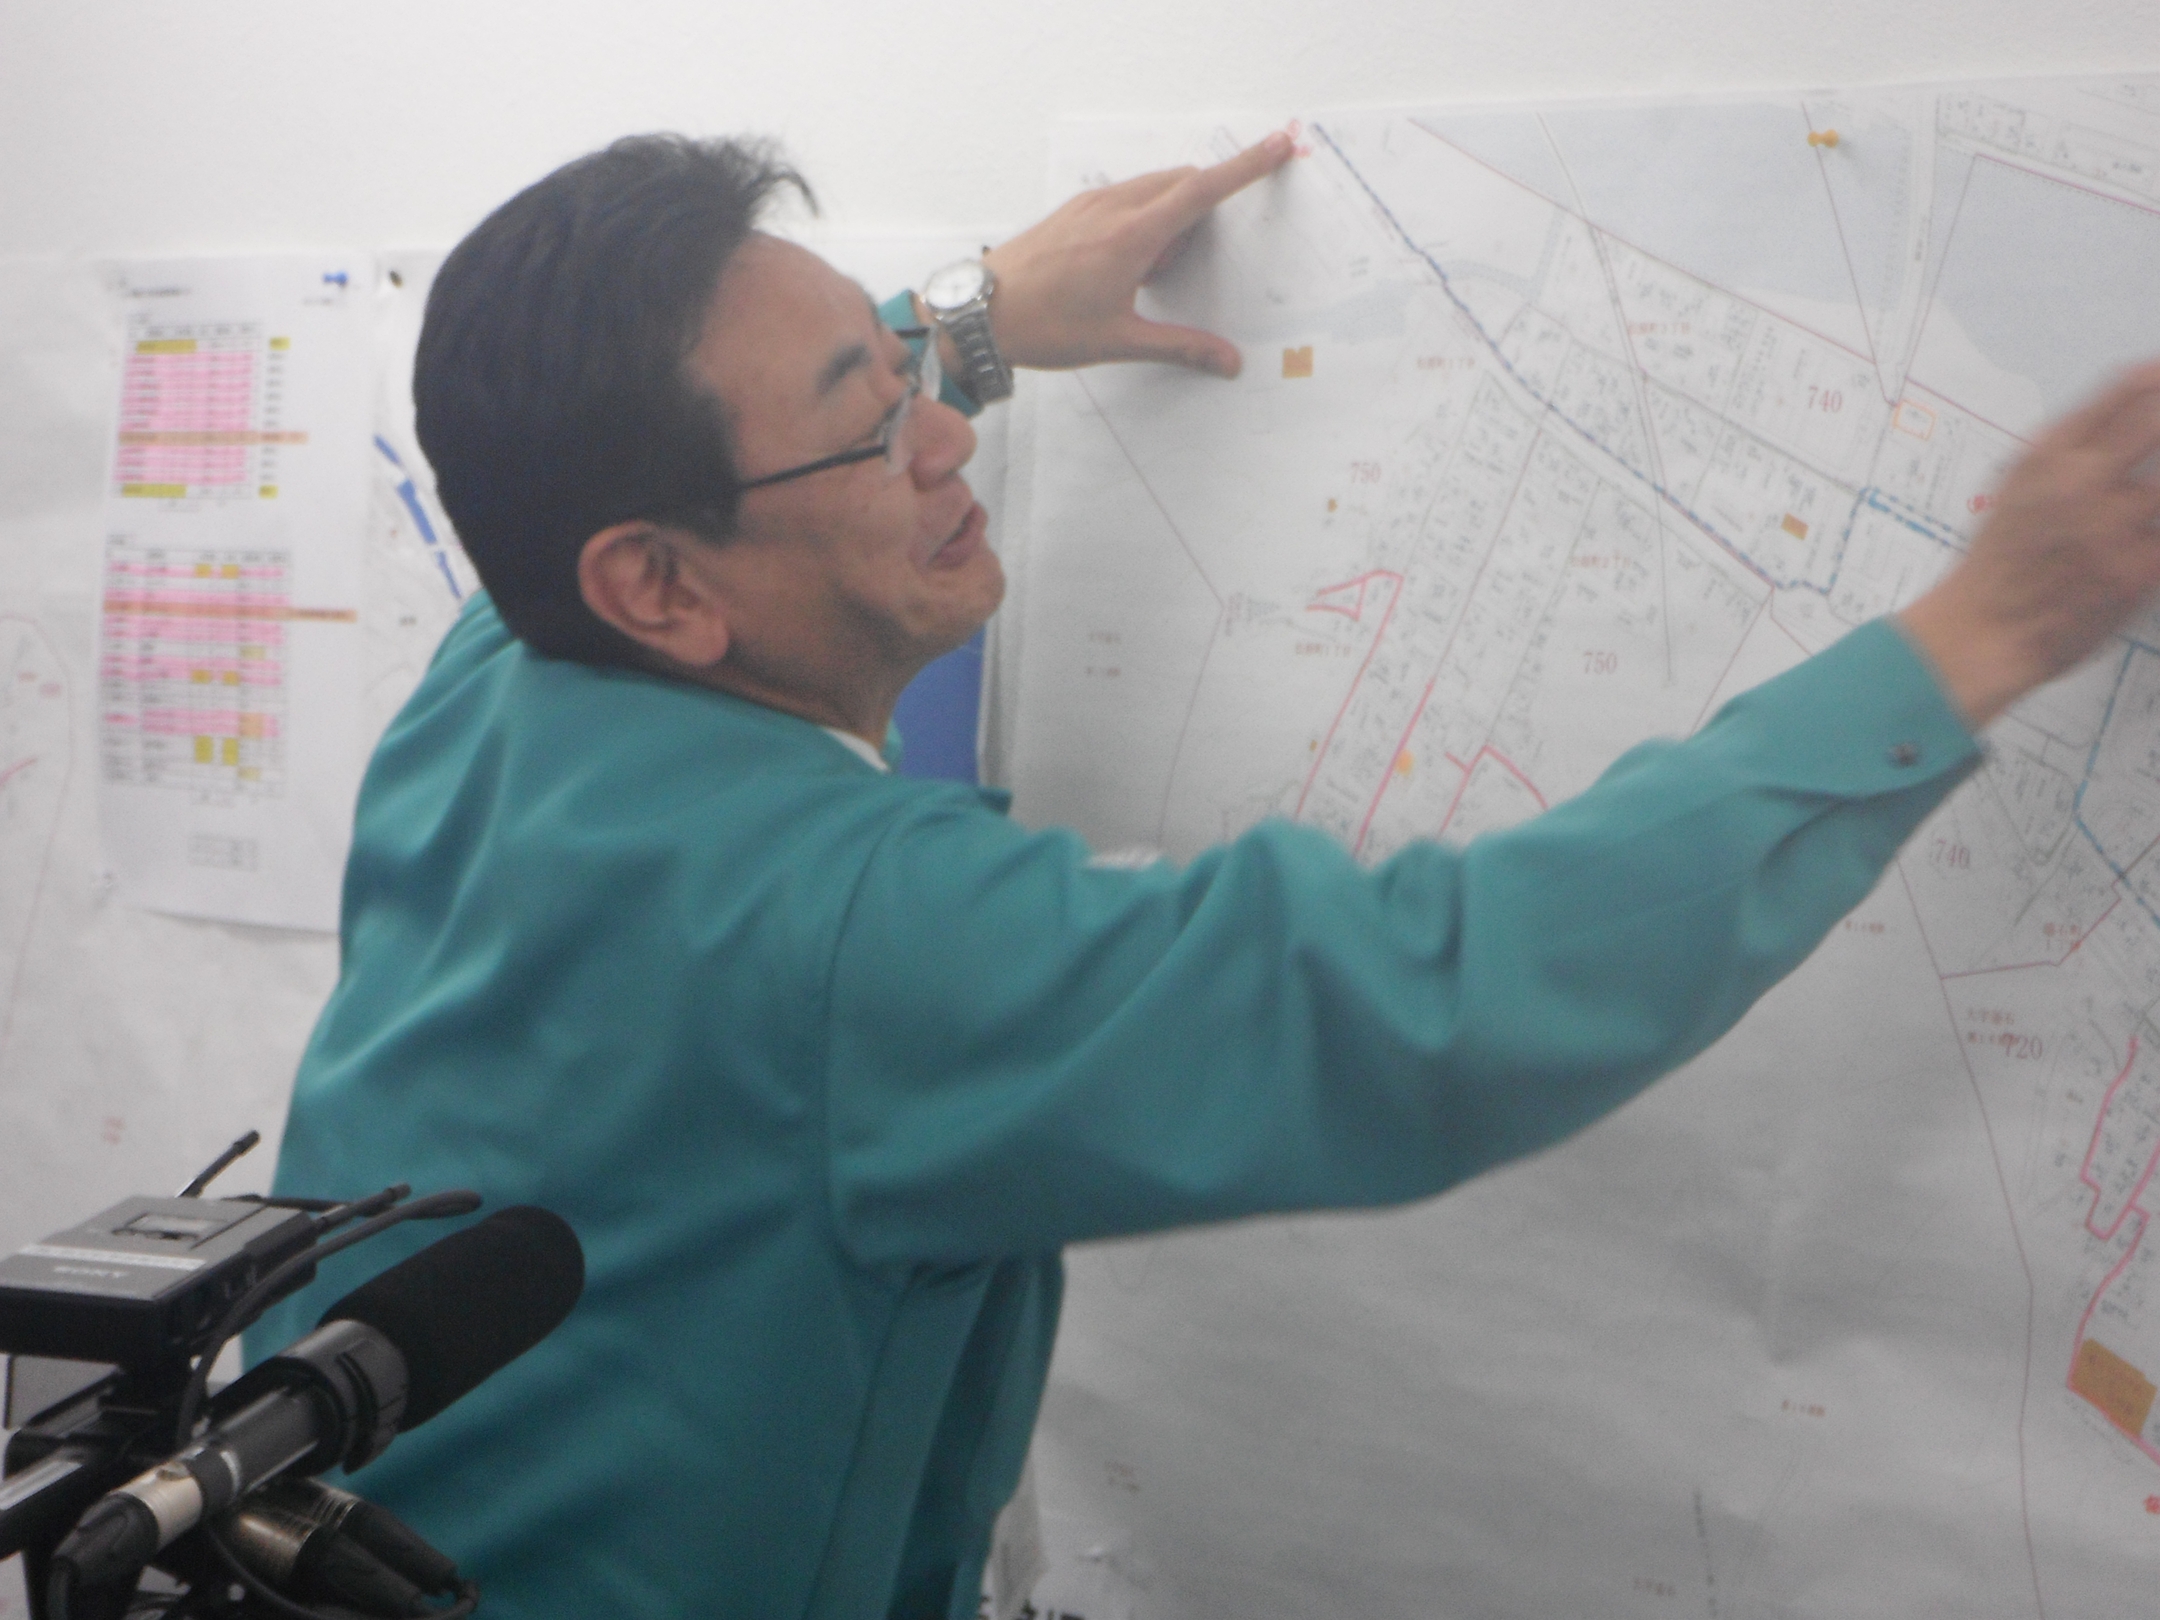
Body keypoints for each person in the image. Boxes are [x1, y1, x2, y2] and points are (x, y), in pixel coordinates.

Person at [249, 128, 2160, 1620]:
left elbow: (714, 458)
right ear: (658, 585)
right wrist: (1977, 637)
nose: (941, 434)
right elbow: (1439, 995)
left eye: (902, 371)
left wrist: (974, 316)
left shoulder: (498, 670)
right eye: (870, 418)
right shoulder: (859, 939)